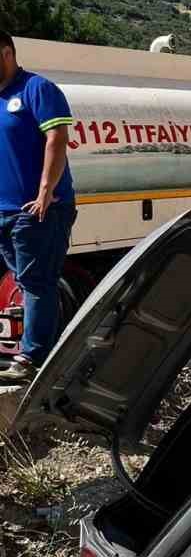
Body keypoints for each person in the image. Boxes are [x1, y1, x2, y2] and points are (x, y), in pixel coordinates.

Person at [0, 31, 76, 382]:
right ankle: (29, 351)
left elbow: (57, 137)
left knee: (37, 282)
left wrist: (46, 190)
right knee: (24, 279)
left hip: (37, 209)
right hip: (5, 211)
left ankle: (33, 360)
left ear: (5, 53)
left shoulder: (37, 89)